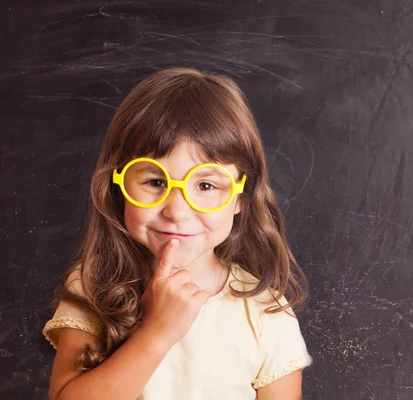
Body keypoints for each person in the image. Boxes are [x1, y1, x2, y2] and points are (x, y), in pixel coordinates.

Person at [42, 67, 312, 400]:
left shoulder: (266, 311)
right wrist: (157, 332)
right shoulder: (93, 286)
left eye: (206, 185)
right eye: (155, 182)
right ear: (120, 185)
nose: (177, 211)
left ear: (240, 197)